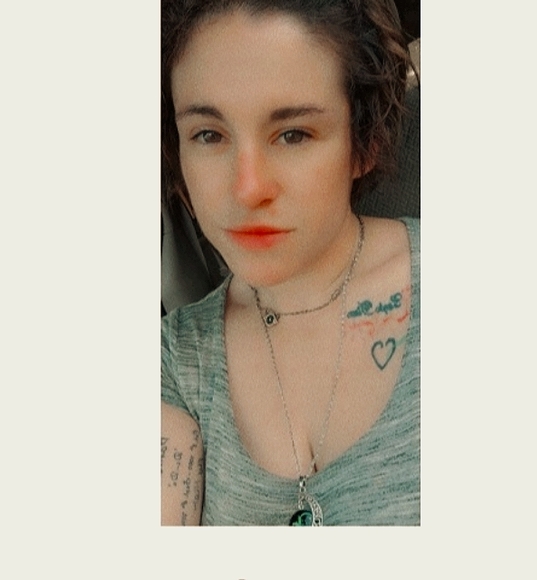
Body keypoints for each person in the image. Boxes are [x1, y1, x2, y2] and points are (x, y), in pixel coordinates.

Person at [161, 0, 420, 526]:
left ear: (363, 143)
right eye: (209, 135)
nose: (247, 188)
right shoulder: (175, 360)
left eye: (293, 134)